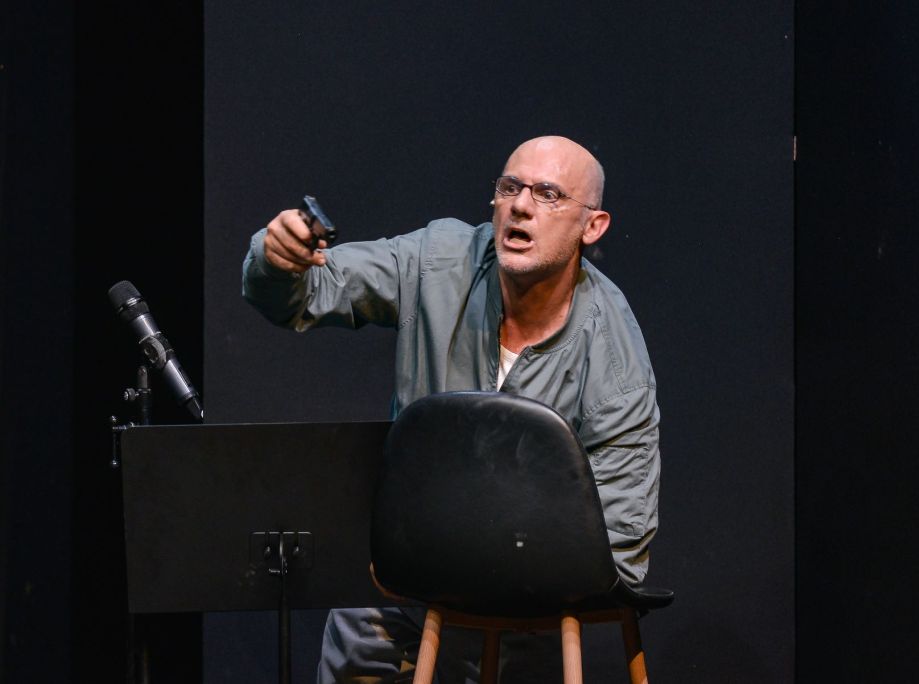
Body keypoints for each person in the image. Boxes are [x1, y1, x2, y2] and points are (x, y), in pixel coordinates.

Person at [242, 135, 661, 683]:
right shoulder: (438, 261)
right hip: (407, 592)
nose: (521, 205)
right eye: (509, 187)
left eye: (548, 194)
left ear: (593, 226)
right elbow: (307, 291)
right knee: (357, 623)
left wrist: (496, 568)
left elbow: (622, 536)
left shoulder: (614, 356)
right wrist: (278, 260)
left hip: (527, 608)